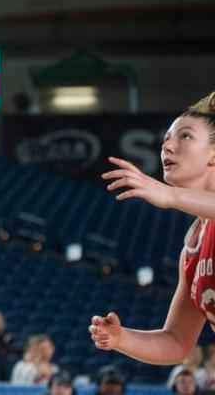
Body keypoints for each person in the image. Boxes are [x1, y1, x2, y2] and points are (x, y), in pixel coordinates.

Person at [90, 93, 215, 366]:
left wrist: (172, 197)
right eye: (166, 138)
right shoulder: (193, 248)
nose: (167, 146)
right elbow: (177, 342)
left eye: (184, 136)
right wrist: (121, 338)